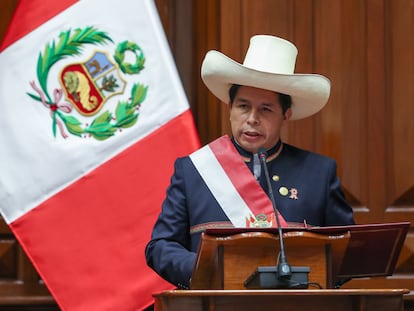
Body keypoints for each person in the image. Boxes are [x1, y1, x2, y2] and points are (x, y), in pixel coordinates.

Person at [145, 35, 354, 289]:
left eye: (266, 109)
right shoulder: (193, 171)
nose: (252, 119)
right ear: (230, 107)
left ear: (285, 115)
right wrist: (207, 272)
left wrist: (312, 280)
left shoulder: (319, 173)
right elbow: (161, 246)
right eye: (243, 106)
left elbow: (348, 252)